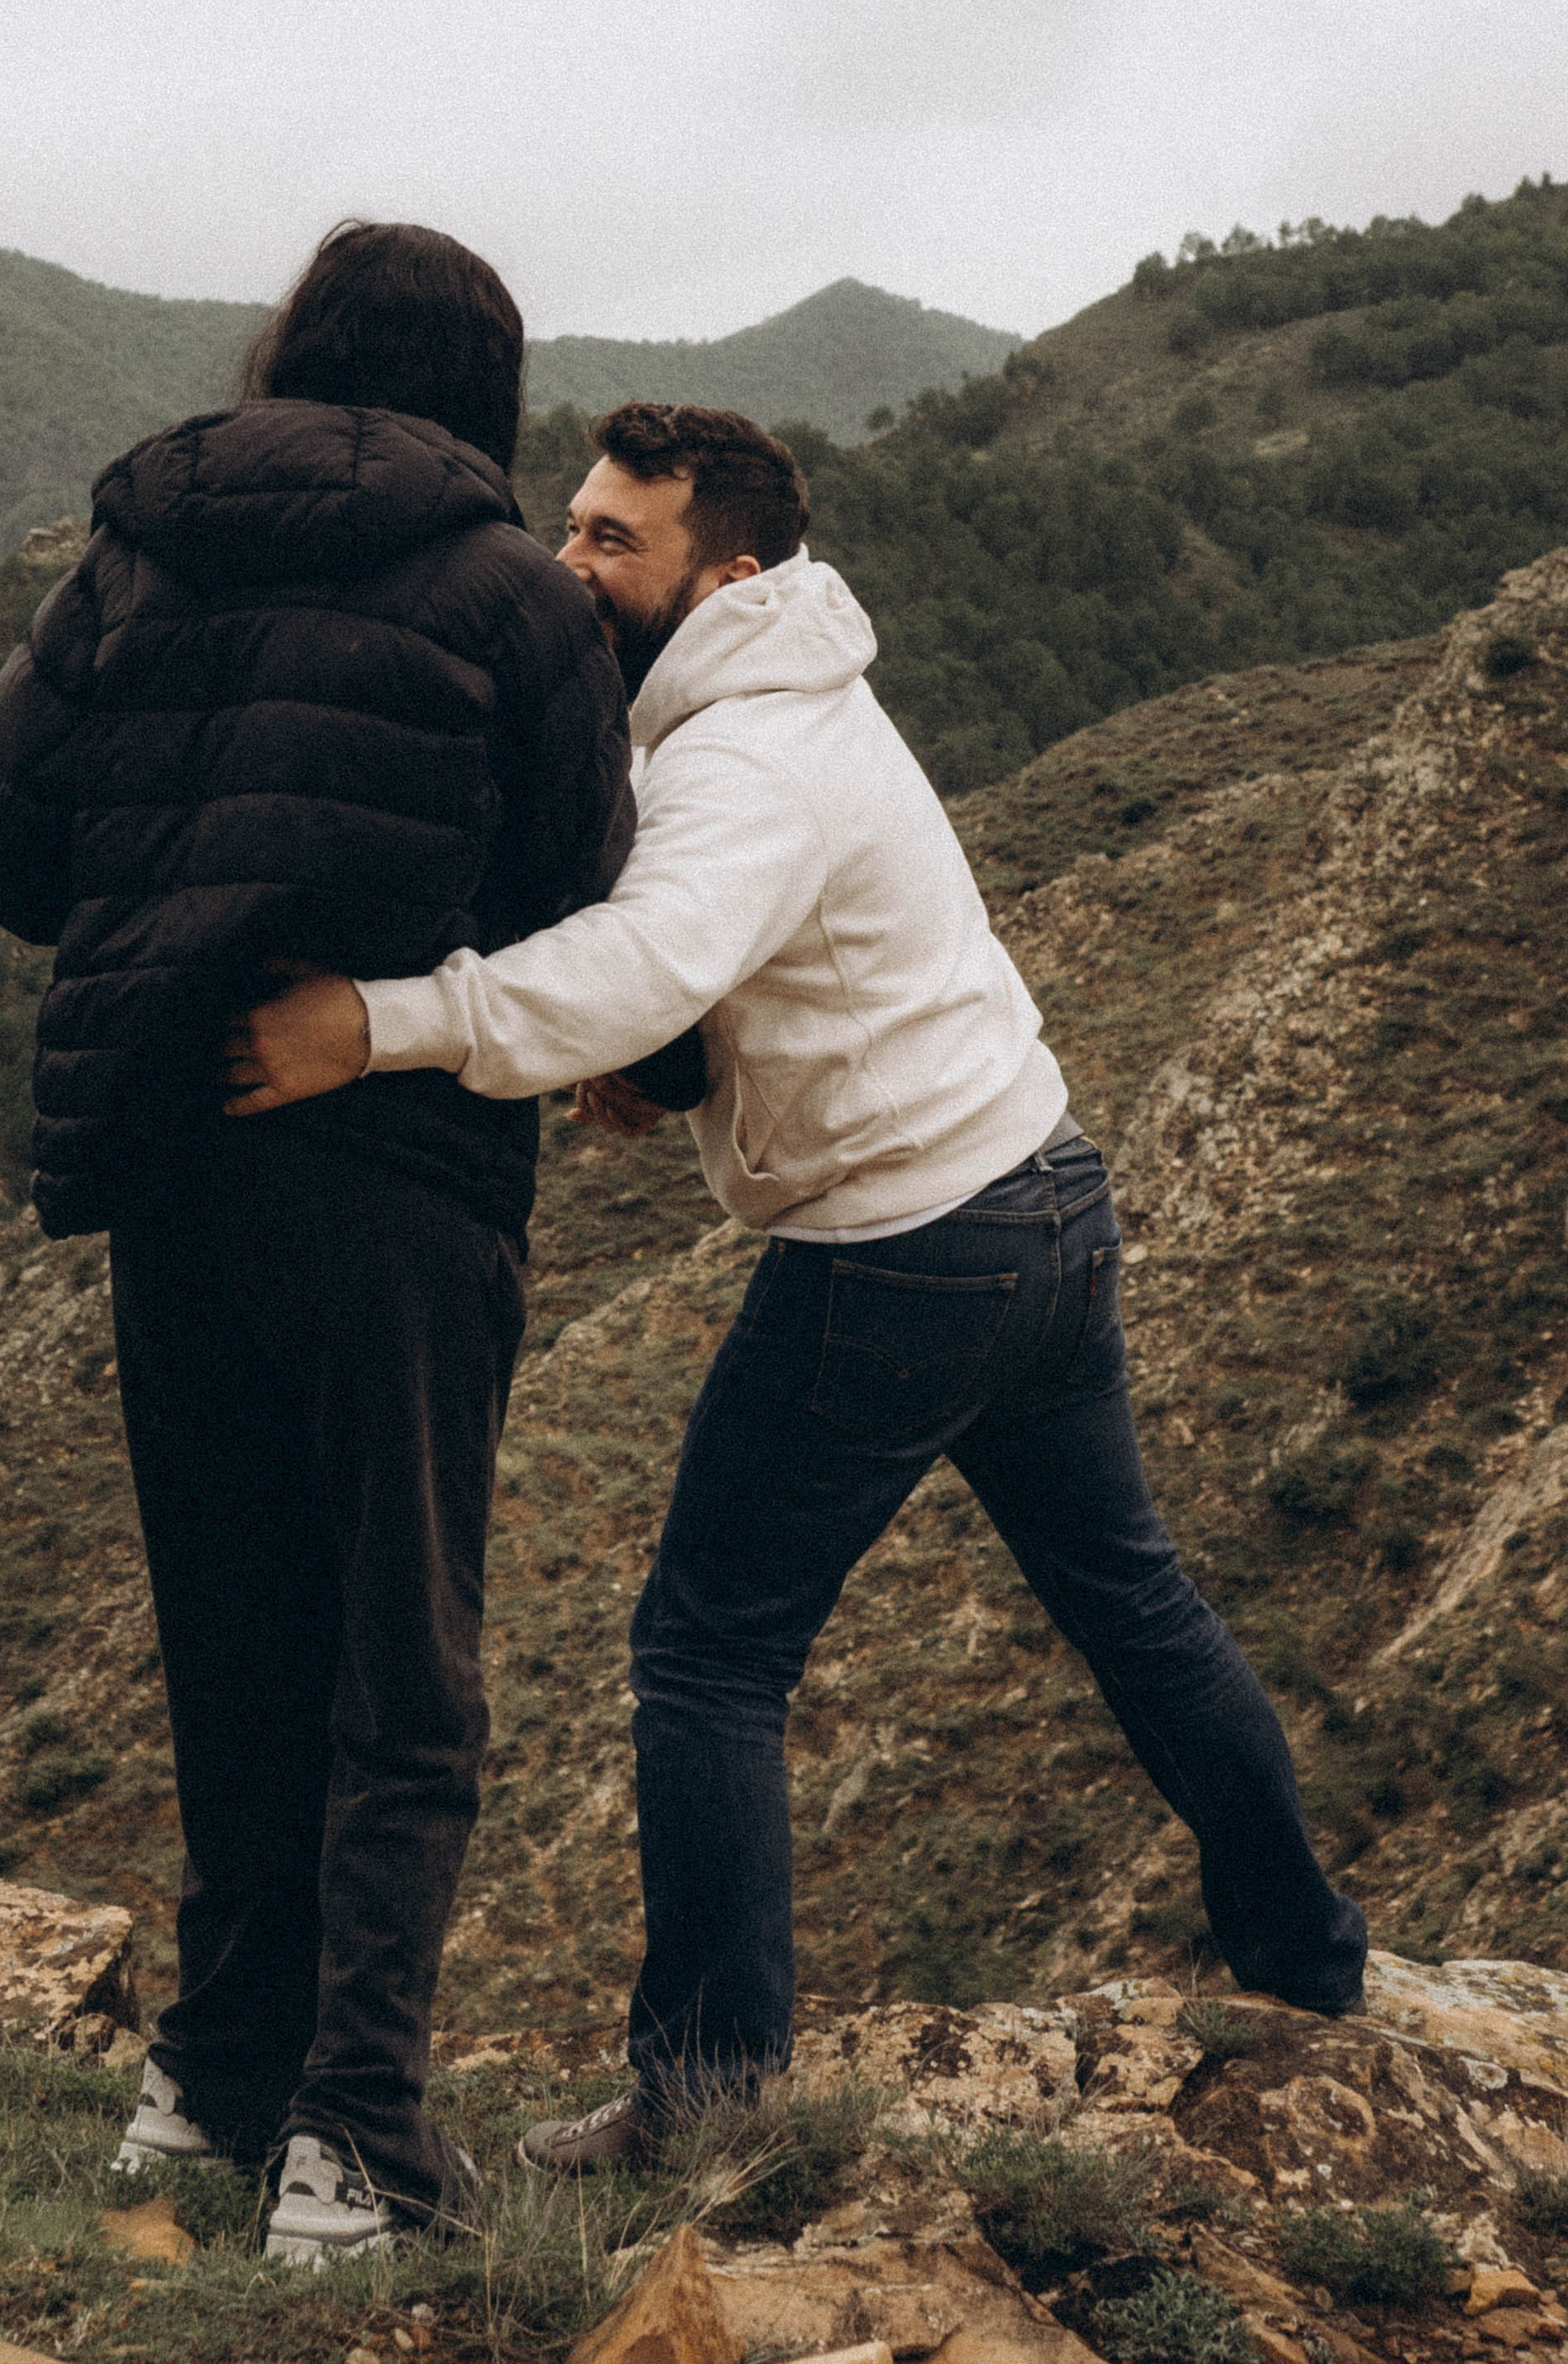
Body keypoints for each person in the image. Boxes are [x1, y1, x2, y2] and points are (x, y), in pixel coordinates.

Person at [224, 398, 1368, 2169]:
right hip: (1040, 1191)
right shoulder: (784, 693)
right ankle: (1308, 1963)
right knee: (1129, 1603)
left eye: (615, 540)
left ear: (726, 573)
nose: (566, 562)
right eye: (570, 523)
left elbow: (653, 954)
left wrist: (376, 1025)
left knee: (704, 1656)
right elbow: (725, 969)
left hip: (903, 1247)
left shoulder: (739, 752)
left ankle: (701, 2101)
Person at [0, 223, 632, 2259]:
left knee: (232, 1628)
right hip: (401, 1171)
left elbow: (0, 843)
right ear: (481, 393)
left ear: (291, 352)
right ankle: (352, 2142)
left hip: (170, 1162)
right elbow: (579, 891)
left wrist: (180, 881)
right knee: (398, 1660)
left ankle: (205, 2086)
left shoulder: (133, 549)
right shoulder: (512, 594)